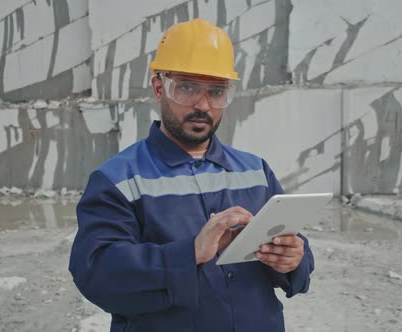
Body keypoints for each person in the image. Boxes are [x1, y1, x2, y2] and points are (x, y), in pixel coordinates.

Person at [69, 18, 314, 332]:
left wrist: (294, 260)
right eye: (186, 87)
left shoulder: (255, 172)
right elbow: (96, 273)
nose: (203, 105)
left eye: (216, 91)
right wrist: (189, 254)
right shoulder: (118, 180)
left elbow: (294, 249)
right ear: (159, 88)